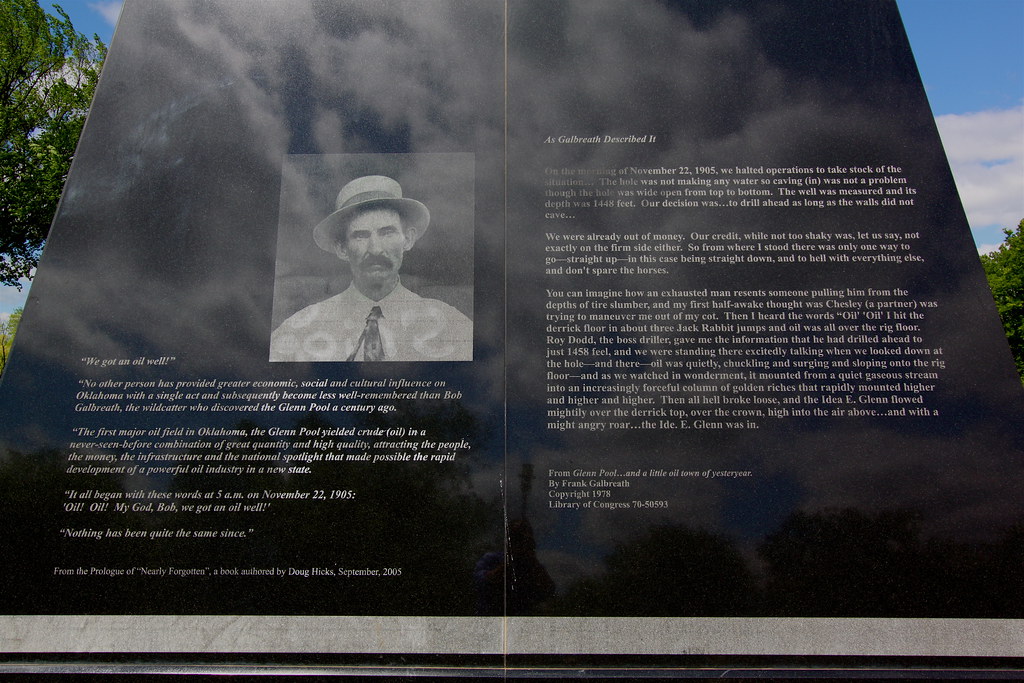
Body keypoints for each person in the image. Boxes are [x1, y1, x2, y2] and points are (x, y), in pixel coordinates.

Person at [270, 175, 472, 361]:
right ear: (342, 249)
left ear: (408, 239)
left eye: (387, 233)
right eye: (360, 235)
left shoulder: (453, 327)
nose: (375, 249)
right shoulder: (297, 331)